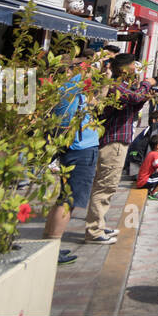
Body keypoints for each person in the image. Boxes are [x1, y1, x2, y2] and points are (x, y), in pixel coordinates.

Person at [85, 51, 151, 245]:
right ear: (124, 69)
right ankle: (94, 230)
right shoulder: (116, 87)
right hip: (112, 142)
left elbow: (134, 104)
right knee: (105, 186)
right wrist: (148, 84)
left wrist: (144, 96)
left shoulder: (120, 86)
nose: (135, 69)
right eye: (133, 66)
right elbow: (134, 97)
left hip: (118, 140)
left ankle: (99, 224)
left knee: (108, 186)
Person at [44, 46, 100, 265]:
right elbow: (94, 78)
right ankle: (53, 247)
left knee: (63, 197)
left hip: (70, 145)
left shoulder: (58, 88)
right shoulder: (70, 86)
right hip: (80, 147)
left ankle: (49, 244)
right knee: (69, 200)